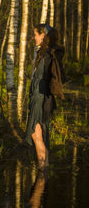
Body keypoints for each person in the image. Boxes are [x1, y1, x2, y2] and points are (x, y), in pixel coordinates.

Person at [25, 23, 65, 171]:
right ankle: (44, 170)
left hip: (41, 98)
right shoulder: (41, 53)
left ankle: (43, 171)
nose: (33, 37)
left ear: (43, 35)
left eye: (35, 34)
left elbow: (52, 77)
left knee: (36, 135)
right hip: (37, 96)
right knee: (39, 134)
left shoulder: (48, 54)